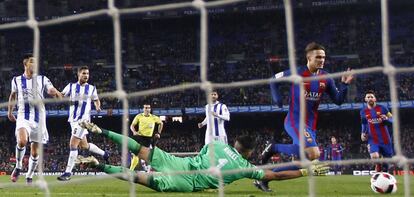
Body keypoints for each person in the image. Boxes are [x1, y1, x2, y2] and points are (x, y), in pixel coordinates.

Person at [76, 121, 329, 192]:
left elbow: (207, 151)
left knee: (139, 149)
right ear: (249, 152)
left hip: (180, 163)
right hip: (187, 182)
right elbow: (275, 174)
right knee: (138, 178)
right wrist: (305, 171)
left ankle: (102, 131)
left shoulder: (216, 146)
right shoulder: (243, 166)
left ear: (235, 142)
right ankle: (100, 164)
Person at [256, 42, 354, 191]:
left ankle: (263, 178)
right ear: (309, 57)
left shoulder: (326, 78)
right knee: (314, 153)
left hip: (310, 125)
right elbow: (273, 80)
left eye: (323, 57)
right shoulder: (297, 73)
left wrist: (345, 86)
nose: (321, 60)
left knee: (303, 161)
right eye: (318, 57)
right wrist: (278, 100)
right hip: (294, 121)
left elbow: (339, 100)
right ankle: (274, 147)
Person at [7, 54, 63, 183]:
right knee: (22, 141)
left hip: (39, 118)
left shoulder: (43, 79)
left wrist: (56, 92)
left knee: (35, 152)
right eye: (32, 62)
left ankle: (30, 175)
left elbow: (51, 89)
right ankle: (18, 167)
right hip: (23, 115)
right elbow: (13, 95)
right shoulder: (16, 80)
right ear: (25, 64)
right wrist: (10, 111)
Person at [58, 66, 109, 181]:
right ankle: (105, 154)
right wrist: (56, 94)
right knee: (84, 145)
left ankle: (68, 172)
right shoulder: (71, 86)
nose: (86, 75)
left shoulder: (91, 88)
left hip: (83, 121)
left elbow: (96, 99)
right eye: (84, 73)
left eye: (87, 74)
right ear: (78, 75)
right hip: (73, 120)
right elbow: (61, 95)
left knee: (73, 145)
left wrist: (97, 106)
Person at [360, 90, 394, 172]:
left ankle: (386, 174)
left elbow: (393, 119)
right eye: (368, 97)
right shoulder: (363, 111)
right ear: (365, 99)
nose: (370, 98)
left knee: (387, 162)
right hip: (373, 139)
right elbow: (364, 124)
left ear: (375, 99)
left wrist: (387, 119)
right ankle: (378, 167)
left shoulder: (383, 108)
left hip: (385, 138)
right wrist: (362, 133)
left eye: (372, 97)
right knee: (374, 156)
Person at [129, 104, 163, 171]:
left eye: (148, 108)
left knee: (141, 154)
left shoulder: (153, 117)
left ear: (150, 109)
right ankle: (132, 170)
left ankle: (143, 167)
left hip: (148, 138)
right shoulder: (139, 116)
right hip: (139, 136)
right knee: (136, 154)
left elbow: (161, 123)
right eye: (146, 108)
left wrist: (159, 133)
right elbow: (132, 125)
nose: (147, 109)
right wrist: (134, 131)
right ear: (143, 109)